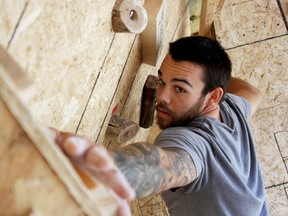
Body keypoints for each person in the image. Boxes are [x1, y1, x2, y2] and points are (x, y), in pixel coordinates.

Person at [46, 36, 269, 216]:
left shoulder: (193, 143)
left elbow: (164, 165)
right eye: (162, 80)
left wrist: (115, 172)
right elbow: (252, 92)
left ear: (213, 97)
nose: (162, 96)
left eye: (180, 88)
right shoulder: (232, 108)